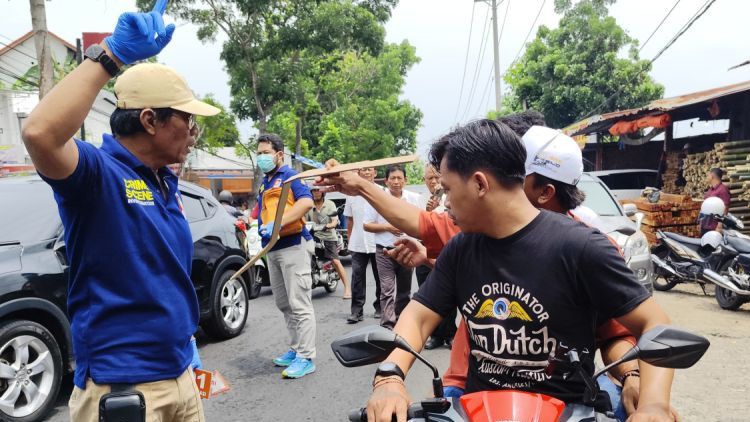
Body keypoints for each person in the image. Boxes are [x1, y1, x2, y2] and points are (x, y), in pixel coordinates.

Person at [322, 120, 675, 422]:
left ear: (479, 184)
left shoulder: (581, 247)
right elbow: (417, 318)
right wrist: (389, 378)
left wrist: (655, 403)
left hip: (568, 411)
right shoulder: (462, 248)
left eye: (447, 190)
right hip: (474, 409)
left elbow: (655, 324)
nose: (444, 202)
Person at [21, 2, 211, 420]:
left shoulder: (164, 179)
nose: (193, 133)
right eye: (187, 121)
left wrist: (186, 347)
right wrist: (112, 55)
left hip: (180, 376)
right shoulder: (97, 174)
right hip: (126, 390)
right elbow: (39, 133)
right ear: (149, 120)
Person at [256, 133, 317, 379]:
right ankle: (295, 348)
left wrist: (278, 223)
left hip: (294, 245)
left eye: (266, 153)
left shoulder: (290, 176)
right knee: (284, 303)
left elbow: (306, 203)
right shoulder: (264, 182)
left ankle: (307, 356)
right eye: (258, 153)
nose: (261, 157)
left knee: (300, 303)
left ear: (279, 154)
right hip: (273, 248)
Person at [363, 164, 421, 329]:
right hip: (384, 251)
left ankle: (402, 322)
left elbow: (420, 221)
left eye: (399, 178)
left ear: (405, 180)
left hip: (407, 249)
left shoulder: (414, 198)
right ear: (386, 181)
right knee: (387, 289)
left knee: (404, 291)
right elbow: (367, 225)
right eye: (393, 178)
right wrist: (388, 227)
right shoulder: (377, 198)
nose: (396, 182)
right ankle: (387, 325)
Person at [418, 164, 456, 350]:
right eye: (429, 178)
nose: (433, 181)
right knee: (429, 295)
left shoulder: (451, 196)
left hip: (446, 252)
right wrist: (427, 212)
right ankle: (435, 335)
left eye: (435, 177)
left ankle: (450, 334)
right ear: (424, 180)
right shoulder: (419, 199)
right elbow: (417, 226)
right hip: (424, 253)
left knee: (449, 294)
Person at [344, 167, 384, 323]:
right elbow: (350, 220)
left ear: (375, 173)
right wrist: (349, 240)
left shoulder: (382, 191)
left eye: (370, 170)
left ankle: (380, 307)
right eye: (363, 170)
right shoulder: (351, 193)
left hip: (377, 241)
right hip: (358, 242)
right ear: (359, 173)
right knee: (357, 278)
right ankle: (356, 311)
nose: (367, 173)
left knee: (381, 277)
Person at [306, 185, 352, 298]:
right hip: (313, 237)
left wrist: (328, 226)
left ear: (323, 192)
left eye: (318, 190)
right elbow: (303, 221)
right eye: (314, 191)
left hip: (328, 237)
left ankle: (347, 289)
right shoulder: (308, 205)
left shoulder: (330, 204)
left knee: (335, 261)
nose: (316, 193)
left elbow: (335, 221)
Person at [701, 168, 730, 234]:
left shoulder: (723, 190)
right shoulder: (710, 190)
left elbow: (725, 208)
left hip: (714, 226)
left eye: (708, 175)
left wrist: (719, 225)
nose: (707, 177)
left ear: (712, 176)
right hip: (705, 225)